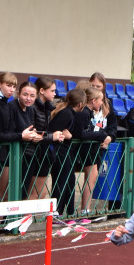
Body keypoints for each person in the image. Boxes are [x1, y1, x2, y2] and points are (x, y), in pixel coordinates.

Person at [0, 72, 37, 206]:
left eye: (13, 86)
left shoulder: (3, 102)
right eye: (8, 85)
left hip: (0, 153)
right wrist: (21, 136)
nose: (11, 89)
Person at [80, 76, 118, 217]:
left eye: (98, 86)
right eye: (93, 86)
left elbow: (113, 126)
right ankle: (75, 211)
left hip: (100, 146)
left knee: (93, 176)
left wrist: (109, 137)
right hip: (85, 145)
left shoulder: (107, 104)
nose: (95, 88)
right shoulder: (84, 107)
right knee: (80, 177)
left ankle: (86, 209)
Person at [47, 88, 86, 219]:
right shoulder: (66, 113)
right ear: (80, 104)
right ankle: (55, 213)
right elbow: (53, 131)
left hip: (65, 152)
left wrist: (70, 136)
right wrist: (66, 136)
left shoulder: (69, 113)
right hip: (59, 153)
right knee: (61, 182)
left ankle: (66, 213)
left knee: (68, 181)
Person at [26, 77, 58, 200]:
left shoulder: (48, 108)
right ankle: (25, 218)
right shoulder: (33, 107)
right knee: (34, 192)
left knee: (41, 192)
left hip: (43, 153)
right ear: (42, 90)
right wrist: (52, 136)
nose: (55, 94)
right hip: (34, 153)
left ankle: (30, 217)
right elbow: (34, 132)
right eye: (52, 90)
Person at [11, 81, 39, 200]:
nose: (28, 98)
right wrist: (22, 135)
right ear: (18, 94)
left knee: (24, 190)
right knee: (13, 190)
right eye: (25, 94)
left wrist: (35, 136)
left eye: (32, 96)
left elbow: (31, 128)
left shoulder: (31, 110)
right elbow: (10, 131)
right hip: (14, 155)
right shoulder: (11, 107)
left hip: (28, 153)